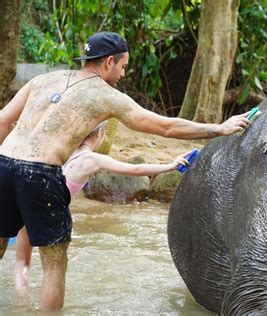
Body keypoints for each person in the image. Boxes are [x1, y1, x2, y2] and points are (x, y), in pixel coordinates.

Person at [0, 31, 249, 310]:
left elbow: (3, 121)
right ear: (109, 62)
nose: (122, 74)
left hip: (4, 163)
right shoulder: (106, 96)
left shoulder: (42, 80)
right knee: (54, 263)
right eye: (123, 66)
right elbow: (164, 126)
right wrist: (218, 128)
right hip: (41, 173)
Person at [13, 122, 191, 289]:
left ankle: (19, 301)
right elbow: (135, 170)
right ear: (100, 134)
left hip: (29, 201)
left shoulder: (64, 152)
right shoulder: (93, 159)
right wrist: (171, 166)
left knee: (22, 263)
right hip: (51, 212)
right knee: (53, 271)